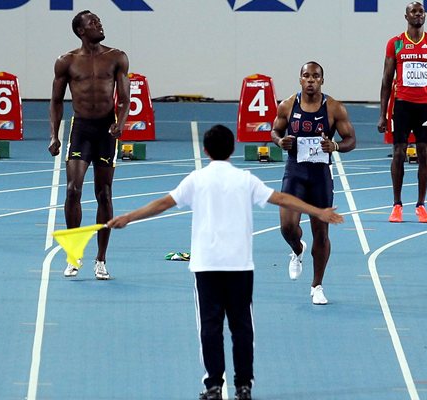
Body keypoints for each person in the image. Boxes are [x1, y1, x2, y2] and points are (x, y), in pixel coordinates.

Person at [108, 125, 343, 400]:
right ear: (232, 150)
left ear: (205, 151)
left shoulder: (196, 179)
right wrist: (318, 211)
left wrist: (128, 217)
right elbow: (281, 198)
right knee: (242, 328)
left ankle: (213, 387)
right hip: (238, 266)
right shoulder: (245, 179)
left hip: (206, 266)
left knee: (210, 328)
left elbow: (162, 204)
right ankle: (243, 386)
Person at [49, 10, 130, 280]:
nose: (99, 25)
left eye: (99, 21)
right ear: (81, 31)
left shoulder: (117, 57)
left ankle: (101, 259)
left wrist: (120, 123)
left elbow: (125, 98)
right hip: (81, 129)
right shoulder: (66, 61)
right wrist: (54, 135)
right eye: (93, 23)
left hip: (106, 130)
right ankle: (73, 255)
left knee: (104, 194)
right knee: (72, 190)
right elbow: (56, 101)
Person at [271, 61, 356, 305]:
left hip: (320, 177)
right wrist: (280, 142)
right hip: (295, 173)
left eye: (315, 76)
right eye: (306, 76)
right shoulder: (287, 105)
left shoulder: (335, 108)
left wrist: (335, 145)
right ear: (300, 79)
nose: (310, 80)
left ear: (322, 80)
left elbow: (351, 139)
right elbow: (275, 131)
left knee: (321, 232)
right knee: (287, 227)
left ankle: (317, 285)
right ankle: (297, 249)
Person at [377, 1, 427, 223]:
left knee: (425, 153)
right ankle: (397, 205)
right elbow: (386, 80)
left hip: (425, 107)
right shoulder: (396, 43)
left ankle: (421, 205)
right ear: (406, 16)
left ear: (425, 16)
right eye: (414, 11)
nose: (418, 14)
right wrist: (383, 114)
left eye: (421, 12)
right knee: (399, 152)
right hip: (402, 105)